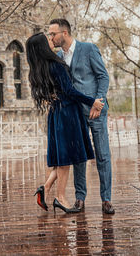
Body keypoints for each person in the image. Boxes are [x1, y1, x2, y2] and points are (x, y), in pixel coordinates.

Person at [25, 33, 104, 214]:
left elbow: (50, 93)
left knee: (62, 157)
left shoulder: (38, 68)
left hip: (55, 114)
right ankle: (60, 198)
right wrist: (92, 101)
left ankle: (44, 188)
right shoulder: (56, 65)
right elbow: (69, 91)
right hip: (67, 113)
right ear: (43, 46)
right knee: (66, 159)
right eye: (48, 39)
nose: (51, 40)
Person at [48, 19, 115, 214]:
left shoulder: (88, 49)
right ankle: (80, 198)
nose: (51, 37)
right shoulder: (59, 57)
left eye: (53, 34)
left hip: (96, 111)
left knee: (102, 155)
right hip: (74, 115)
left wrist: (99, 102)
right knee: (79, 157)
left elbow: (103, 76)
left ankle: (107, 199)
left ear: (65, 33)